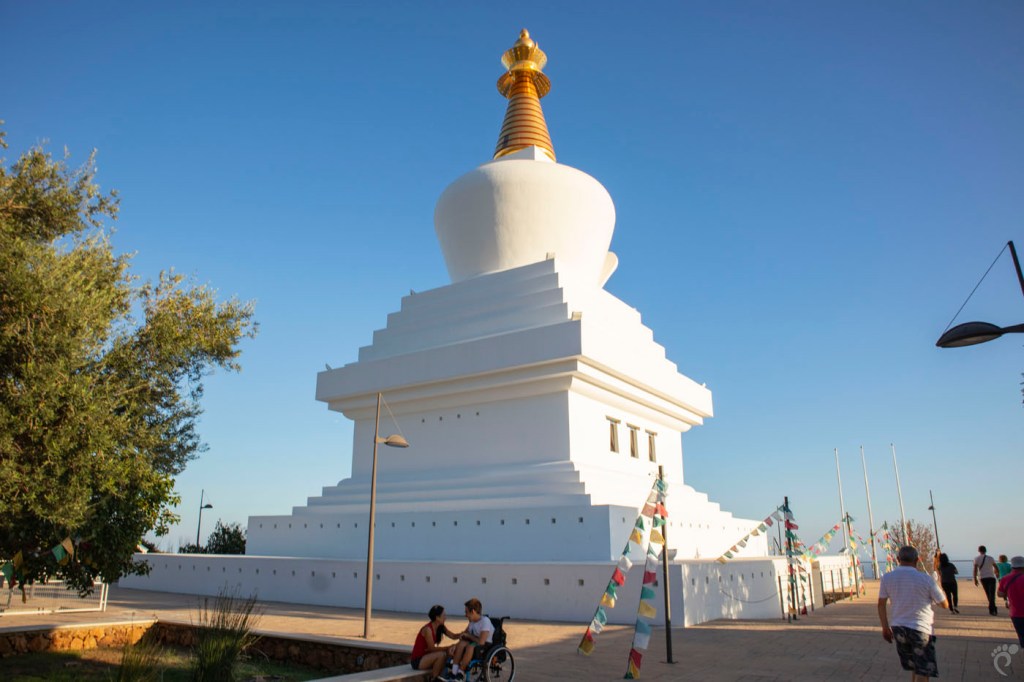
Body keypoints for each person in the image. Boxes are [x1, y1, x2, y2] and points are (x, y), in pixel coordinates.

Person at [878, 545, 948, 681]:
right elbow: (944, 604)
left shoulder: (887, 578)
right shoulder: (926, 579)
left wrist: (885, 628)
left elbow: (881, 604)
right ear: (917, 560)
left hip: (898, 628)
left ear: (898, 559)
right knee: (923, 669)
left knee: (915, 666)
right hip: (920, 628)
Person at [447, 597, 493, 681]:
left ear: (473, 612)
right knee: (461, 644)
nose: (465, 615)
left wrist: (468, 636)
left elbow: (481, 642)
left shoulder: (485, 621)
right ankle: (454, 673)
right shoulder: (472, 622)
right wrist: (455, 646)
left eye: (466, 612)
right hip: (475, 642)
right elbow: (463, 636)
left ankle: (461, 672)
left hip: (486, 644)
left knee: (470, 647)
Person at [411, 605, 457, 681]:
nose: (445, 617)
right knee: (441, 654)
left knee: (448, 654)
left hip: (427, 657)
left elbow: (453, 636)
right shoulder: (428, 629)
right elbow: (432, 648)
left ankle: (444, 677)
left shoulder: (441, 627)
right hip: (418, 661)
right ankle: (433, 679)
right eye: (443, 615)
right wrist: (448, 647)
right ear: (437, 618)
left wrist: (466, 632)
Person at [997, 556, 1024, 647]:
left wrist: (1009, 593)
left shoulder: (1005, 579)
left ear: (1012, 566)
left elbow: (1000, 594)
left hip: (1015, 613)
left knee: (1022, 636)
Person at [973, 545, 999, 615]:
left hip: (983, 578)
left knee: (988, 593)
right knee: (992, 593)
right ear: (985, 550)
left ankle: (992, 608)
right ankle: (993, 608)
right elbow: (996, 567)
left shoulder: (976, 559)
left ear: (979, 551)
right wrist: (997, 573)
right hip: (991, 577)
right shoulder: (990, 558)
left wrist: (975, 579)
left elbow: (975, 570)